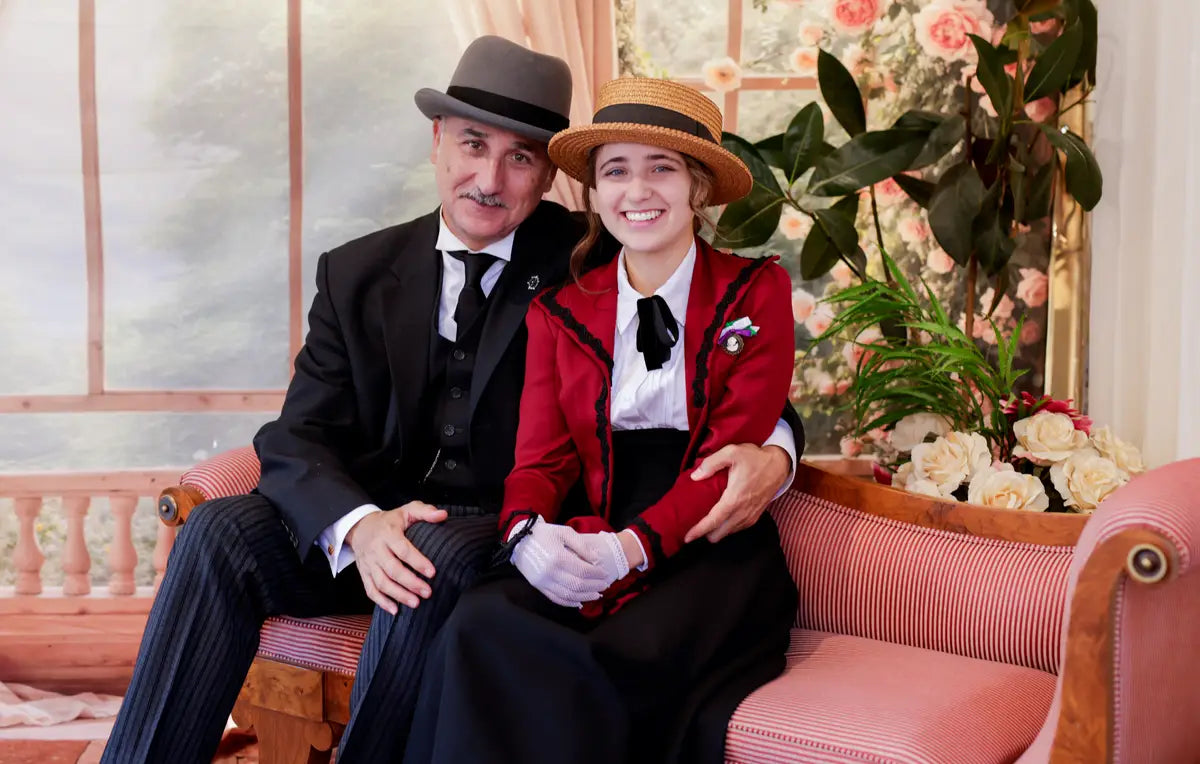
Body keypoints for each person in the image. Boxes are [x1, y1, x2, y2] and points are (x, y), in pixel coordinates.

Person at [101, 38, 801, 764]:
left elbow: (707, 378)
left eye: (520, 158)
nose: (489, 179)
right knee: (220, 531)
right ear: (438, 142)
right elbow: (296, 434)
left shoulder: (599, 252)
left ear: (549, 178)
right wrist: (361, 527)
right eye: (472, 145)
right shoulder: (358, 273)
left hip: (498, 525)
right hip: (377, 522)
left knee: (425, 555)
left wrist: (775, 451)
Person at [402, 77, 801, 764]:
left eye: (662, 169)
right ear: (592, 192)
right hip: (596, 529)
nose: (636, 192)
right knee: (479, 625)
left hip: (709, 549)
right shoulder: (558, 311)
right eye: (616, 171)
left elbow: (729, 449)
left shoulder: (755, 290)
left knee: (603, 659)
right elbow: (541, 461)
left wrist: (634, 548)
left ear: (698, 188)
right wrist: (526, 532)